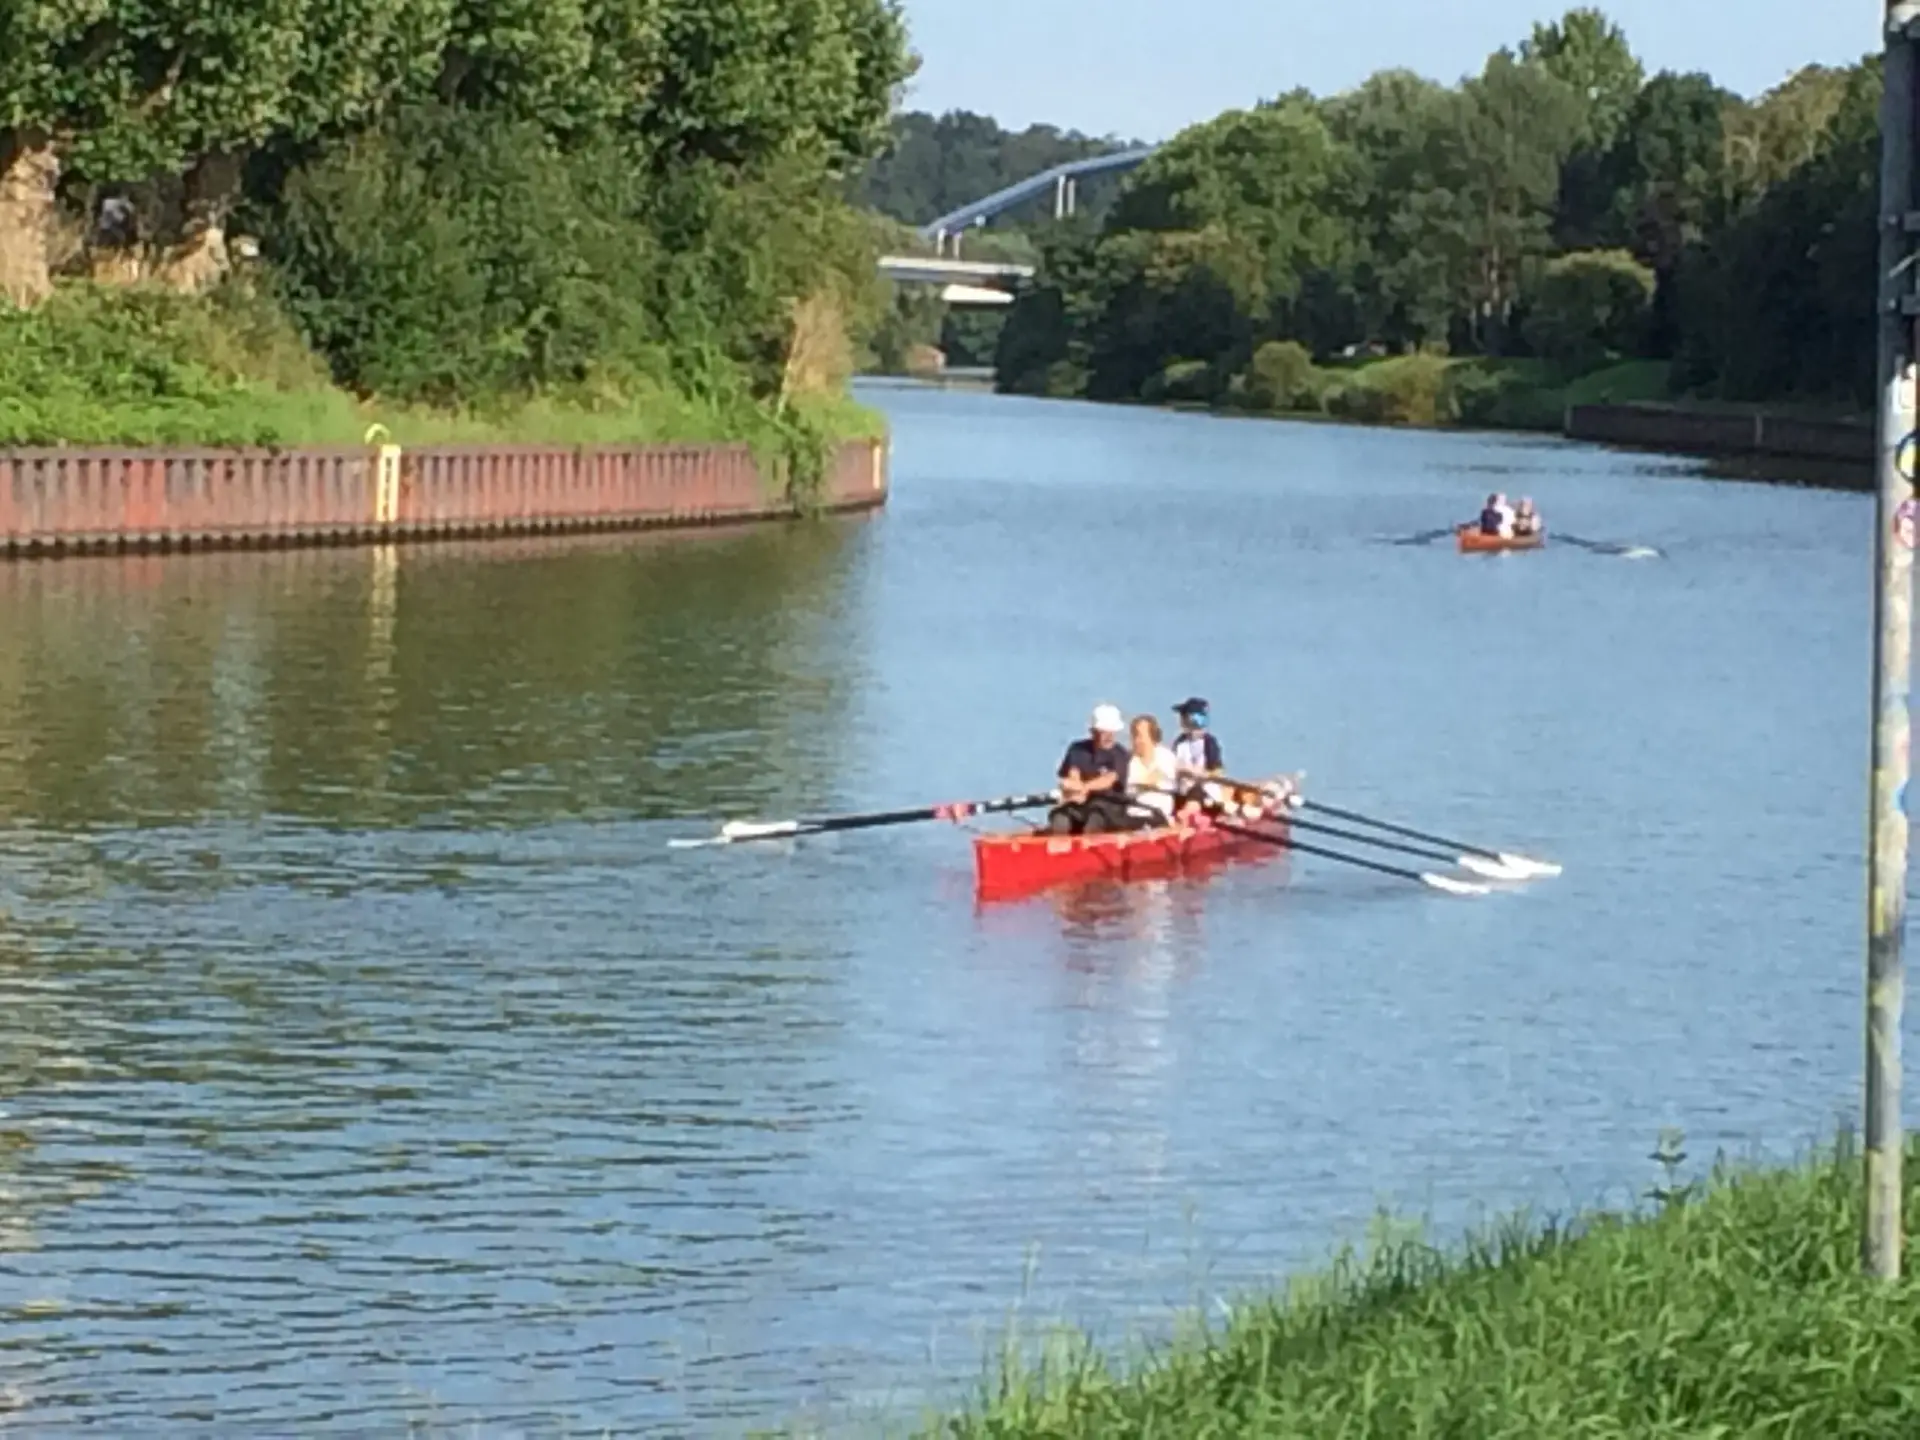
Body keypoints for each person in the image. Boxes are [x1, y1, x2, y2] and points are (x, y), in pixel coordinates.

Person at [1049, 704, 1133, 834]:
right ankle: (1058, 849)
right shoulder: (1077, 749)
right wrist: (1072, 788)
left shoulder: (1120, 754)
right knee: (1060, 818)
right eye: (1101, 732)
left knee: (1095, 819)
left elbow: (1109, 779)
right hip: (1079, 804)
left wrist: (1084, 788)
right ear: (1093, 731)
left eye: (1109, 732)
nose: (1106, 737)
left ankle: (1089, 848)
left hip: (1109, 805)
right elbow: (1072, 774)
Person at [1170, 698, 1225, 821]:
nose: (1180, 720)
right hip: (1183, 790)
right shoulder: (1180, 742)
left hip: (1206, 794)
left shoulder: (1210, 743)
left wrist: (1202, 775)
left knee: (1196, 791)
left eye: (1183, 716)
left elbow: (1218, 771)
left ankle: (1186, 814)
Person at [1127, 714, 1180, 823]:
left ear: (1152, 736)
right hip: (1134, 815)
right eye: (1134, 736)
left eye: (1140, 735)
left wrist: (1144, 783)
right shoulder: (1129, 761)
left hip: (1160, 814)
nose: (1136, 740)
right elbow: (1129, 788)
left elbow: (1162, 780)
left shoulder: (1165, 756)